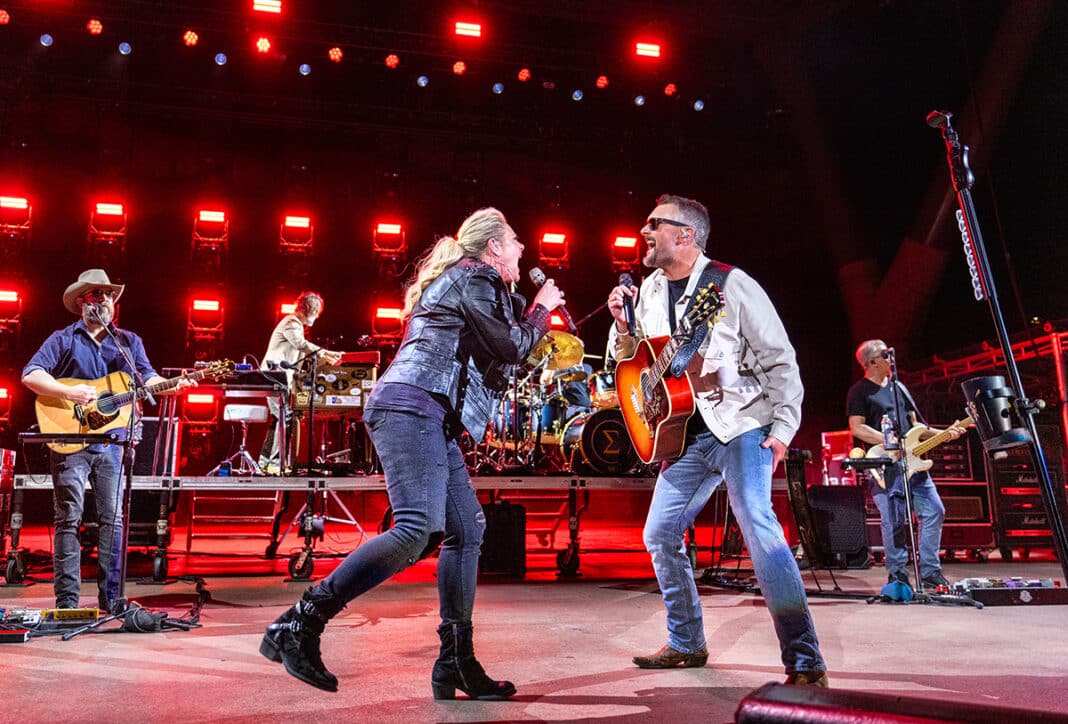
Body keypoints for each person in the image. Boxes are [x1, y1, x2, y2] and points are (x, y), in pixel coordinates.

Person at [260, 207, 564, 697]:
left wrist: (533, 329)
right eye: (513, 240)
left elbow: (498, 361)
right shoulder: (476, 276)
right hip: (411, 407)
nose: (521, 249)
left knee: (467, 528)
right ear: (491, 247)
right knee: (416, 528)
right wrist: (541, 309)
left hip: (431, 414)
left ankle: (455, 663)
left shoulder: (477, 283)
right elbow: (510, 345)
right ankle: (300, 624)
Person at [606, 194, 827, 686]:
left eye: (653, 224)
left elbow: (780, 360)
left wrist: (784, 430)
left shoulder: (731, 284)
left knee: (757, 524)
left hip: (741, 426)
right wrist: (622, 327)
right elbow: (634, 361)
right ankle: (686, 642)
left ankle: (805, 661)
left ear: (685, 235)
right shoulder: (648, 289)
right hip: (681, 434)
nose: (643, 231)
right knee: (659, 534)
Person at [21, 269, 195, 612]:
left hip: (113, 443)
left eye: (104, 295)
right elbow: (31, 374)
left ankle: (112, 599)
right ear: (80, 303)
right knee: (68, 518)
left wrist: (173, 384)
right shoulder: (63, 338)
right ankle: (68, 602)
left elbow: (149, 377)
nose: (98, 301)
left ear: (113, 302)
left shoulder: (128, 343)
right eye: (91, 295)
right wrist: (69, 392)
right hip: (69, 441)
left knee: (113, 518)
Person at [846, 339, 958, 592]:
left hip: (915, 464)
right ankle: (897, 574)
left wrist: (946, 432)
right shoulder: (860, 391)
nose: (890, 359)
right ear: (872, 361)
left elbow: (917, 427)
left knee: (934, 511)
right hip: (887, 465)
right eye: (885, 355)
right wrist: (887, 441)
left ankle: (930, 571)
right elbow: (857, 427)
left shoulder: (900, 389)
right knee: (894, 520)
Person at [258, 291, 343, 474]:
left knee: (279, 418)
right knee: (284, 417)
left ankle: (265, 462)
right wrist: (325, 352)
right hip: (273, 375)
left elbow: (304, 353)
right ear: (311, 309)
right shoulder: (291, 322)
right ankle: (274, 463)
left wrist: (328, 357)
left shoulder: (296, 326)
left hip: (278, 378)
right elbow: (300, 344)